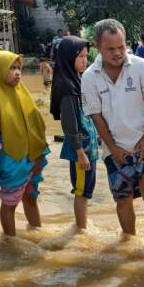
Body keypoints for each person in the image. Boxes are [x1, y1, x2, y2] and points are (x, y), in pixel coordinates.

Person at [82, 19, 144, 245]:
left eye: (121, 46)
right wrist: (113, 148)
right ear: (97, 47)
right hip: (114, 149)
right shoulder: (89, 77)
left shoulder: (141, 67)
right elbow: (96, 117)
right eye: (110, 48)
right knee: (123, 199)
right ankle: (129, 244)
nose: (118, 53)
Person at [0, 51, 49, 237]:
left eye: (19, 68)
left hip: (33, 158)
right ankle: (10, 243)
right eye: (12, 68)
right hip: (12, 163)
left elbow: (37, 126)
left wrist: (40, 153)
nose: (17, 72)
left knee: (31, 198)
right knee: (9, 204)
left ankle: (37, 235)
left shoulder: (22, 94)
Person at [50, 36, 99, 231]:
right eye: (80, 56)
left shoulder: (77, 80)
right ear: (69, 57)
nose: (84, 60)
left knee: (86, 190)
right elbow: (69, 124)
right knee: (81, 190)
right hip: (82, 150)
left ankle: (82, 227)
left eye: (86, 56)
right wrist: (80, 151)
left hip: (88, 146)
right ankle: (81, 231)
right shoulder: (68, 87)